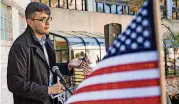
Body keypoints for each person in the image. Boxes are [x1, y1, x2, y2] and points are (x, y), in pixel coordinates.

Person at [7, 2, 81, 104]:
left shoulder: (46, 40)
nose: (47, 23)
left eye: (48, 18)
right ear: (30, 22)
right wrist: (49, 90)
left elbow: (47, 69)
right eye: (42, 19)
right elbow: (16, 84)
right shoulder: (20, 46)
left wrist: (68, 66)